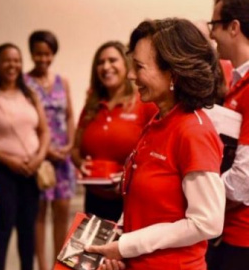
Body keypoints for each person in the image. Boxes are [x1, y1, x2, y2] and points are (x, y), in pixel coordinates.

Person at [86, 18, 226, 270]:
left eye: (139, 67)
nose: (130, 75)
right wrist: (117, 244)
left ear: (172, 73)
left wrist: (126, 245)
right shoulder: (157, 121)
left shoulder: (193, 131)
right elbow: (140, 204)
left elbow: (208, 222)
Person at [0, 43, 50, 270]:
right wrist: (10, 161)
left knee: (28, 228)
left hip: (31, 170)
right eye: (6, 60)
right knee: (4, 227)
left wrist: (39, 157)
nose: (12, 65)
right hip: (1, 171)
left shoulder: (30, 95)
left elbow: (44, 131)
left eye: (16, 60)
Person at [71, 41, 156, 223]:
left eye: (112, 60)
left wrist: (130, 177)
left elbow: (156, 153)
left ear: (126, 65)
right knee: (91, 251)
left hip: (130, 202)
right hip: (93, 200)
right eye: (100, 62)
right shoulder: (91, 107)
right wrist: (80, 164)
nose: (106, 67)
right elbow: (75, 150)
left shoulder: (144, 104)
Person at [24, 30, 75, 270]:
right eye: (38, 53)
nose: (43, 58)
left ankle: (60, 263)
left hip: (62, 158)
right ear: (32, 53)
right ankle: (43, 265)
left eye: (47, 54)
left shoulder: (61, 81)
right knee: (39, 213)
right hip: (40, 154)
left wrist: (69, 145)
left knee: (62, 212)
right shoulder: (24, 83)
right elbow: (26, 121)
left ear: (53, 54)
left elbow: (70, 115)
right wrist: (44, 150)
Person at [207, 1, 249, 269]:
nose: (211, 35)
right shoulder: (234, 82)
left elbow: (244, 179)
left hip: (242, 236)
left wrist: (197, 193)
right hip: (227, 227)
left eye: (214, 25)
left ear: (233, 27)